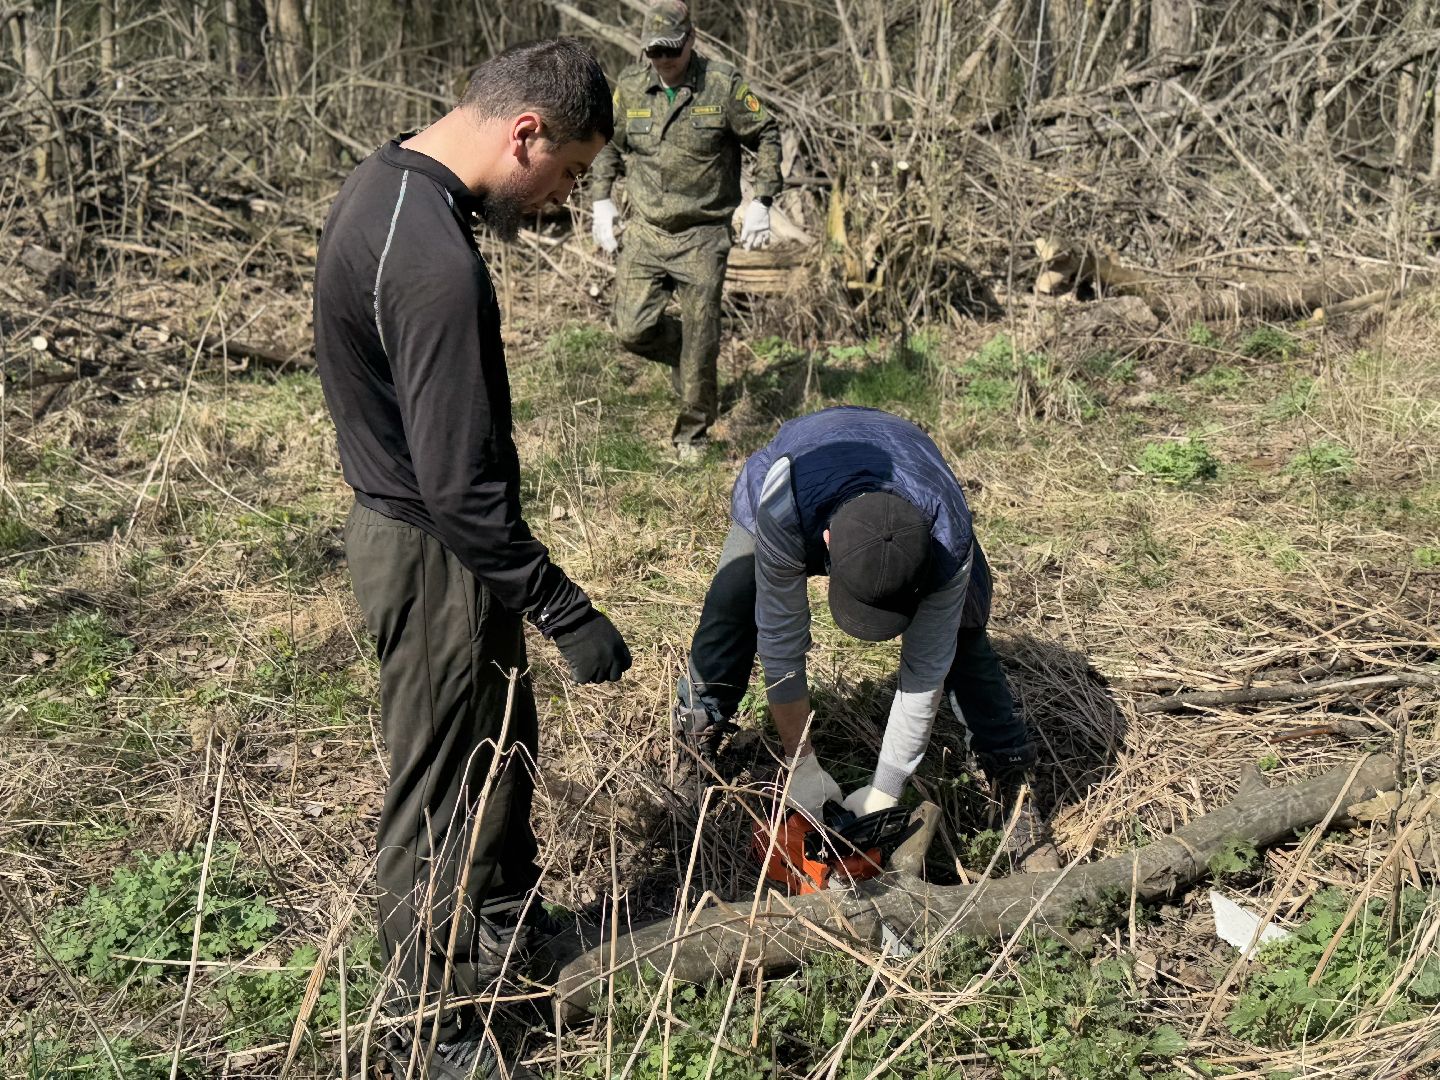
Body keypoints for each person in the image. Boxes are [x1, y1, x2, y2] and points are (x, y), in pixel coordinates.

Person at [312, 39, 632, 1078]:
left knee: (501, 737)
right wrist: (565, 608)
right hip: (432, 549)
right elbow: (458, 488)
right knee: (443, 789)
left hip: (448, 546)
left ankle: (505, 930)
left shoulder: (391, 183)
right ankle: (433, 1024)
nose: (558, 199)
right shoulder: (432, 262)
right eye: (568, 173)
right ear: (524, 132)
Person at [675, 406, 1054, 865]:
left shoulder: (947, 539)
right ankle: (695, 735)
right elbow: (780, 644)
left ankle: (1011, 778)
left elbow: (926, 670)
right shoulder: (783, 501)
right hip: (805, 474)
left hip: (916, 479)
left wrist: (886, 788)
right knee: (733, 601)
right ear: (828, 543)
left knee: (964, 634)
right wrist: (801, 764)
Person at [589, 0, 782, 459]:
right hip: (647, 231)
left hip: (703, 234)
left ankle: (691, 434)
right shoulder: (632, 87)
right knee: (631, 331)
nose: (664, 61)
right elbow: (606, 146)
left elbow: (766, 132)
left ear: (691, 40)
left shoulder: (722, 83)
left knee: (701, 342)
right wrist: (601, 201)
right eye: (655, 52)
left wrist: (764, 199)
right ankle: (689, 353)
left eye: (672, 50)